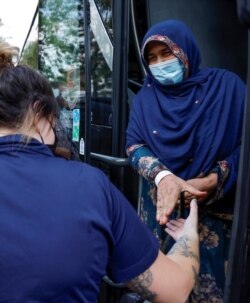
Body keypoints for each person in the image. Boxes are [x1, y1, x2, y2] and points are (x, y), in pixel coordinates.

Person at [0, 42, 200, 303]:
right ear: (39, 112)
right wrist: (189, 236)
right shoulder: (88, 185)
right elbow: (176, 289)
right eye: (53, 119)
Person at [126, 19, 245, 302]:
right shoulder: (146, 99)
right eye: (152, 58)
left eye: (166, 53)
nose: (160, 63)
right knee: (165, 293)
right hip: (162, 219)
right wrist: (162, 176)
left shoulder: (227, 88)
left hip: (213, 221)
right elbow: (133, 146)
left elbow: (246, 145)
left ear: (185, 51)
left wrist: (214, 179)